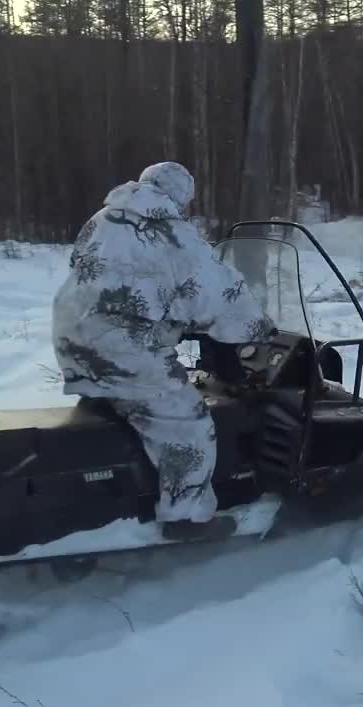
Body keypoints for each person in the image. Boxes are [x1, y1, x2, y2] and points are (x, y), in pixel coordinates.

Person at [52, 161, 275, 533]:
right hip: (121, 347)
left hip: (73, 332)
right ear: (181, 197)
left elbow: (103, 273)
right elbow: (215, 292)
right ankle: (185, 517)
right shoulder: (170, 232)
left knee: (123, 399)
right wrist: (258, 328)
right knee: (187, 425)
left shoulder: (105, 216)